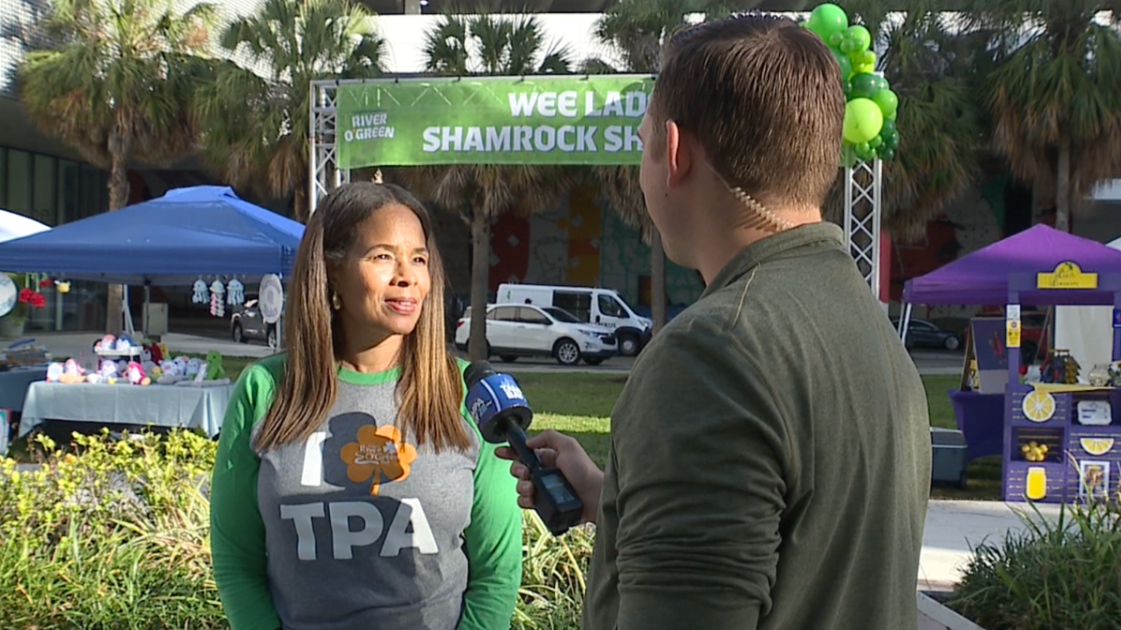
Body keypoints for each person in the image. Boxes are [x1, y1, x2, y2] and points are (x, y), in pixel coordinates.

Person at [500, 14, 931, 630]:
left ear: (673, 153)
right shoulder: (861, 316)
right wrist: (613, 499)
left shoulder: (711, 355)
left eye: (642, 141)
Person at [211, 182, 523, 630]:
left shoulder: (471, 394)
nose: (407, 275)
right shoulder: (264, 388)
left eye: (418, 258)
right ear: (332, 270)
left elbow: (497, 570)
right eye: (382, 256)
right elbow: (235, 557)